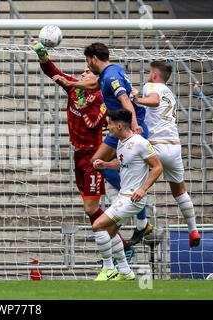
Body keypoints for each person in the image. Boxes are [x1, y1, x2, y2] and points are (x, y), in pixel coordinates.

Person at [32, 42, 135, 262]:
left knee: (91, 208)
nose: (83, 72)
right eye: (82, 71)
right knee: (90, 211)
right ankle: (119, 251)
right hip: (78, 154)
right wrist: (43, 56)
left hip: (94, 156)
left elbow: (91, 122)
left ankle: (118, 249)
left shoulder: (101, 100)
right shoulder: (75, 87)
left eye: (87, 70)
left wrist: (78, 95)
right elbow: (53, 72)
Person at [53, 42, 152, 246]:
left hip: (126, 128)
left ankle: (131, 207)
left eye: (88, 62)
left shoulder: (112, 76)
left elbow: (124, 100)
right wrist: (71, 84)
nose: (87, 66)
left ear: (94, 59)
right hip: (118, 128)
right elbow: (93, 85)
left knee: (100, 162)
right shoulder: (110, 72)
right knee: (98, 162)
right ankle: (125, 207)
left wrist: (133, 125)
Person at [131, 60, 201, 247]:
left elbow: (154, 101)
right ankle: (193, 230)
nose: (148, 74)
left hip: (156, 145)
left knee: (133, 180)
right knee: (180, 191)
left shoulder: (150, 86)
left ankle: (139, 225)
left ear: (154, 75)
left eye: (149, 71)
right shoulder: (170, 93)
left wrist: (137, 99)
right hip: (174, 145)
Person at [92, 109, 163, 280]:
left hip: (133, 198)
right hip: (124, 196)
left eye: (109, 124)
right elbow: (124, 164)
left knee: (98, 226)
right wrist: (105, 165)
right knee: (111, 229)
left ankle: (108, 268)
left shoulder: (140, 142)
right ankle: (125, 271)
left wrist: (143, 189)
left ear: (119, 125)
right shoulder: (121, 142)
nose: (107, 127)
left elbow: (158, 167)